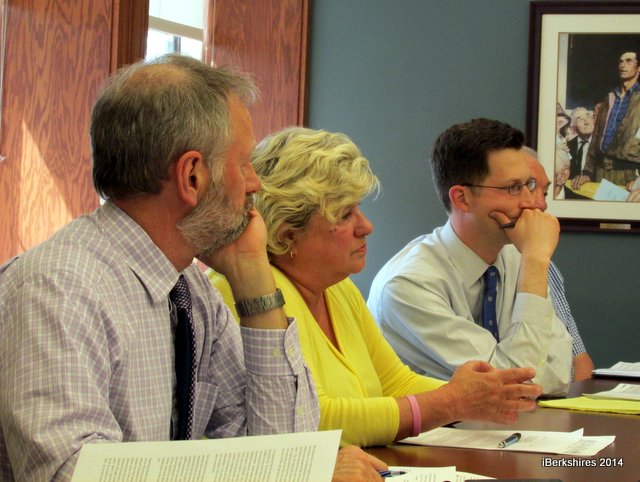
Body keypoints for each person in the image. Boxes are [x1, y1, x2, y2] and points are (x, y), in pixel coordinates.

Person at [0, 55, 381, 482]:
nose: (254, 184)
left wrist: (253, 277)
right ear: (192, 176)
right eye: (243, 164)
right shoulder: (58, 290)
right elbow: (74, 476)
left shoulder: (188, 288)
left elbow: (285, 447)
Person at [210, 127, 542, 448]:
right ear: (288, 235)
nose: (366, 226)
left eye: (359, 209)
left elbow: (395, 382)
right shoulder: (246, 292)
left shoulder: (338, 289)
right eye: (344, 215)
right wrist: (452, 401)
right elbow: (313, 416)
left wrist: (482, 395)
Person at [368, 118, 573, 396]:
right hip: (431, 426)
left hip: (510, 422)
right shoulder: (408, 285)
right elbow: (514, 386)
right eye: (513, 188)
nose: (533, 202)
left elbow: (560, 373)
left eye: (530, 184)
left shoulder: (516, 257)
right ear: (462, 198)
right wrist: (536, 261)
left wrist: (532, 262)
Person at [522, 147, 595, 381]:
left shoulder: (545, 263)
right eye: (529, 188)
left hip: (562, 392)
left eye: (544, 192)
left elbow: (580, 359)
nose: (542, 204)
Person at [574, 51, 640, 189]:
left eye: (629, 61)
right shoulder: (609, 98)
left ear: (638, 68)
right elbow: (596, 137)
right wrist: (588, 172)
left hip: (630, 175)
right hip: (600, 172)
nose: (622, 65)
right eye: (620, 61)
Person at [566, 107, 594, 180]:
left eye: (588, 116)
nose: (587, 122)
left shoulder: (601, 143)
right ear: (573, 128)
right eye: (580, 119)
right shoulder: (568, 146)